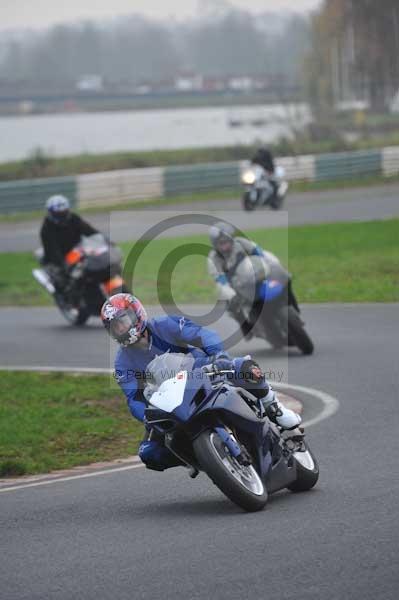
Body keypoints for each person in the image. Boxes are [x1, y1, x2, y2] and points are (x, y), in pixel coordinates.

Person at [101, 293, 301, 471]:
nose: (121, 329)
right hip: (167, 402)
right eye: (115, 327)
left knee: (243, 367)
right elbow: (133, 398)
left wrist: (219, 356)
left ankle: (274, 407)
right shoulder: (122, 363)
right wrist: (146, 416)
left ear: (136, 314)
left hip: (200, 371)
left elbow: (202, 335)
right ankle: (198, 458)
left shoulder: (165, 325)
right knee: (149, 454)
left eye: (123, 321)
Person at [207, 222, 283, 338]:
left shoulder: (241, 243)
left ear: (231, 238)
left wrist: (273, 265)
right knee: (229, 301)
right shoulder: (214, 259)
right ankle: (245, 326)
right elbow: (220, 280)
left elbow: (261, 254)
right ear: (215, 244)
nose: (225, 246)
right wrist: (230, 294)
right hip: (234, 285)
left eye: (226, 241)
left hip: (253, 273)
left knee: (281, 276)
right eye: (221, 244)